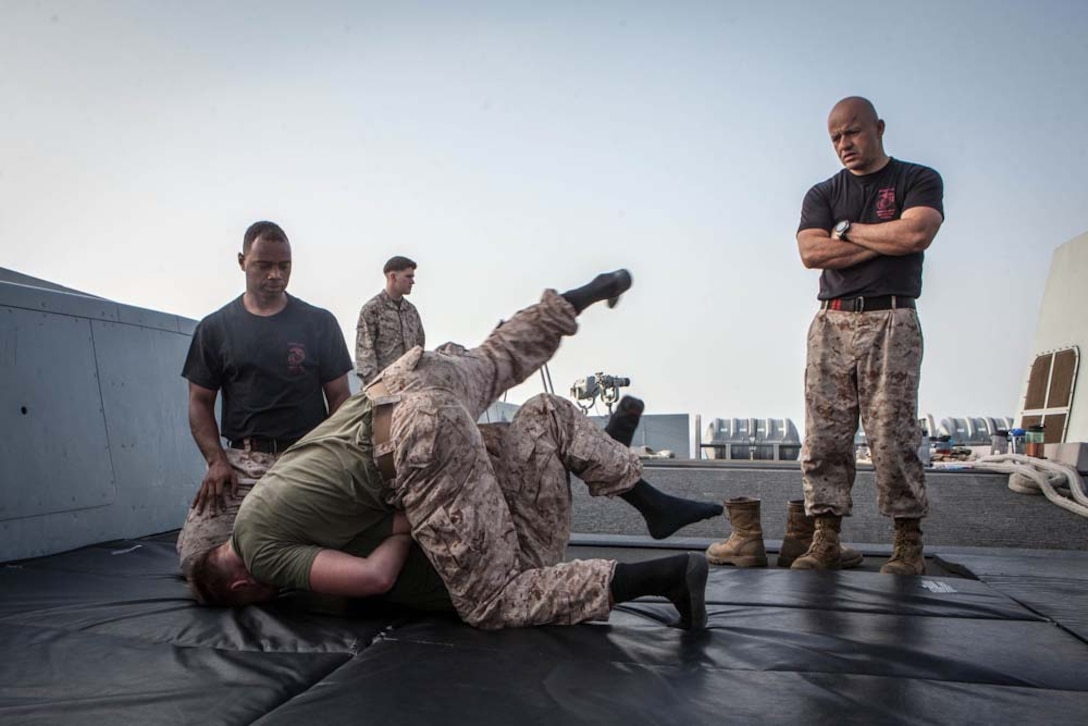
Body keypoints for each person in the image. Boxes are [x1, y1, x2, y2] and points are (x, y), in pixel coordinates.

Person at [190, 270, 720, 630]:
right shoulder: (274, 489)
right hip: (400, 387)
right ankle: (637, 485)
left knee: (491, 601)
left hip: (417, 445)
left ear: (241, 580)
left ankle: (665, 577)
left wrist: (402, 522)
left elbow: (375, 578)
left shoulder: (263, 554)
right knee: (508, 372)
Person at [793, 97, 944, 575]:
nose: (844, 144)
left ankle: (907, 543)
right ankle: (826, 539)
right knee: (823, 436)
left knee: (892, 434)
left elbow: (915, 236)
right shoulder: (822, 193)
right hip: (831, 321)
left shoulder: (917, 179)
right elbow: (811, 253)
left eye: (853, 133)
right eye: (836, 137)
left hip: (892, 319)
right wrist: (882, 238)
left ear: (878, 128)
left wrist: (847, 233)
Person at [176, 221, 354, 575]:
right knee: (196, 563)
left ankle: (287, 568)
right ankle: (272, 569)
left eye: (284, 266)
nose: (275, 275)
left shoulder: (318, 323)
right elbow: (199, 402)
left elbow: (340, 400)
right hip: (242, 463)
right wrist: (216, 461)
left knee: (346, 545)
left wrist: (334, 456)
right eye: (264, 265)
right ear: (242, 261)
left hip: (306, 457)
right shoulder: (214, 329)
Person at [355, 256, 425, 385]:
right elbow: (365, 355)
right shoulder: (372, 310)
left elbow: (420, 348)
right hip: (381, 389)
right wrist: (378, 389)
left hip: (410, 387)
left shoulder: (411, 311)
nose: (412, 282)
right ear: (393, 277)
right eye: (408, 277)